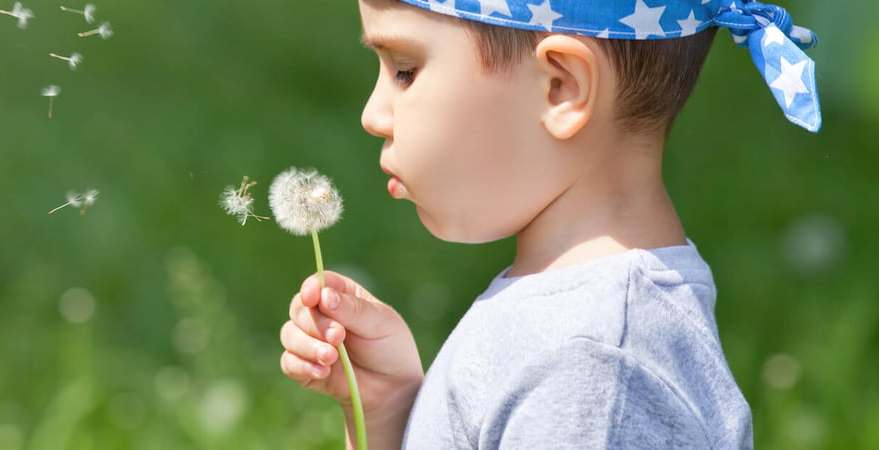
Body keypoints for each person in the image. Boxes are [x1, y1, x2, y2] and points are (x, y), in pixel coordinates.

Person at [278, 0, 820, 448]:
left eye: (404, 70)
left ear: (559, 87)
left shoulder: (591, 373)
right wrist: (392, 413)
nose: (373, 114)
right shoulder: (574, 326)